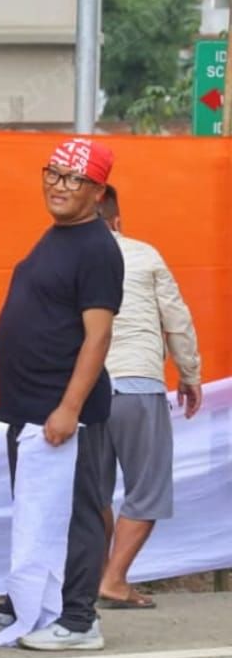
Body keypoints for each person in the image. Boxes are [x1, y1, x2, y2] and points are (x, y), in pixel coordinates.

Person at [0, 138, 124, 652]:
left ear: (98, 191)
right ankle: (24, 607)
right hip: (30, 406)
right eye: (53, 174)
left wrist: (68, 408)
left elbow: (97, 336)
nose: (60, 187)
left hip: (66, 412)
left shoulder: (98, 248)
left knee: (77, 513)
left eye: (74, 179)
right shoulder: (57, 235)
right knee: (34, 510)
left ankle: (80, 620)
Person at [94, 185, 202, 609]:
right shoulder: (144, 254)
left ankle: (97, 574)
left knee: (93, 492)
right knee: (149, 487)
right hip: (138, 385)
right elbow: (176, 320)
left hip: (86, 391)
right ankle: (115, 580)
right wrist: (189, 374)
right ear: (118, 222)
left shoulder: (69, 259)